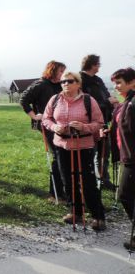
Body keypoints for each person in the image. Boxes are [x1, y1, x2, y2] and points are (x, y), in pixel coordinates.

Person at [42, 70, 106, 231]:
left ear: (78, 83)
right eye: (63, 82)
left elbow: (99, 122)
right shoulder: (55, 99)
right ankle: (75, 212)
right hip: (62, 145)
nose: (65, 84)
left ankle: (98, 216)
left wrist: (84, 127)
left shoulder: (88, 100)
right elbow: (46, 119)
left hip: (83, 146)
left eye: (69, 81)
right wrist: (55, 127)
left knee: (87, 182)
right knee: (67, 180)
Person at [19, 60, 66, 203]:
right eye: (60, 71)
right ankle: (55, 194)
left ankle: (64, 190)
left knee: (62, 154)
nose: (62, 75)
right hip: (47, 124)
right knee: (57, 155)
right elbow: (23, 99)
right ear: (52, 71)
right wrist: (34, 116)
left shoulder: (60, 85)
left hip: (60, 124)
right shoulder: (41, 84)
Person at [105, 68, 135, 248]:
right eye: (114, 82)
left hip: (133, 159)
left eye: (119, 82)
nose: (115, 86)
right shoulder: (127, 103)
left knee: (125, 195)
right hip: (128, 157)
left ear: (132, 82)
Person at [80, 54, 119, 189]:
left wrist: (112, 101)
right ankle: (89, 180)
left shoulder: (98, 80)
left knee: (104, 152)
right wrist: (106, 102)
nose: (99, 66)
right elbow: (85, 102)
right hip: (89, 123)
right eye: (98, 64)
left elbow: (106, 95)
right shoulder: (80, 80)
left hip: (103, 121)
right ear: (92, 64)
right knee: (90, 152)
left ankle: (103, 179)